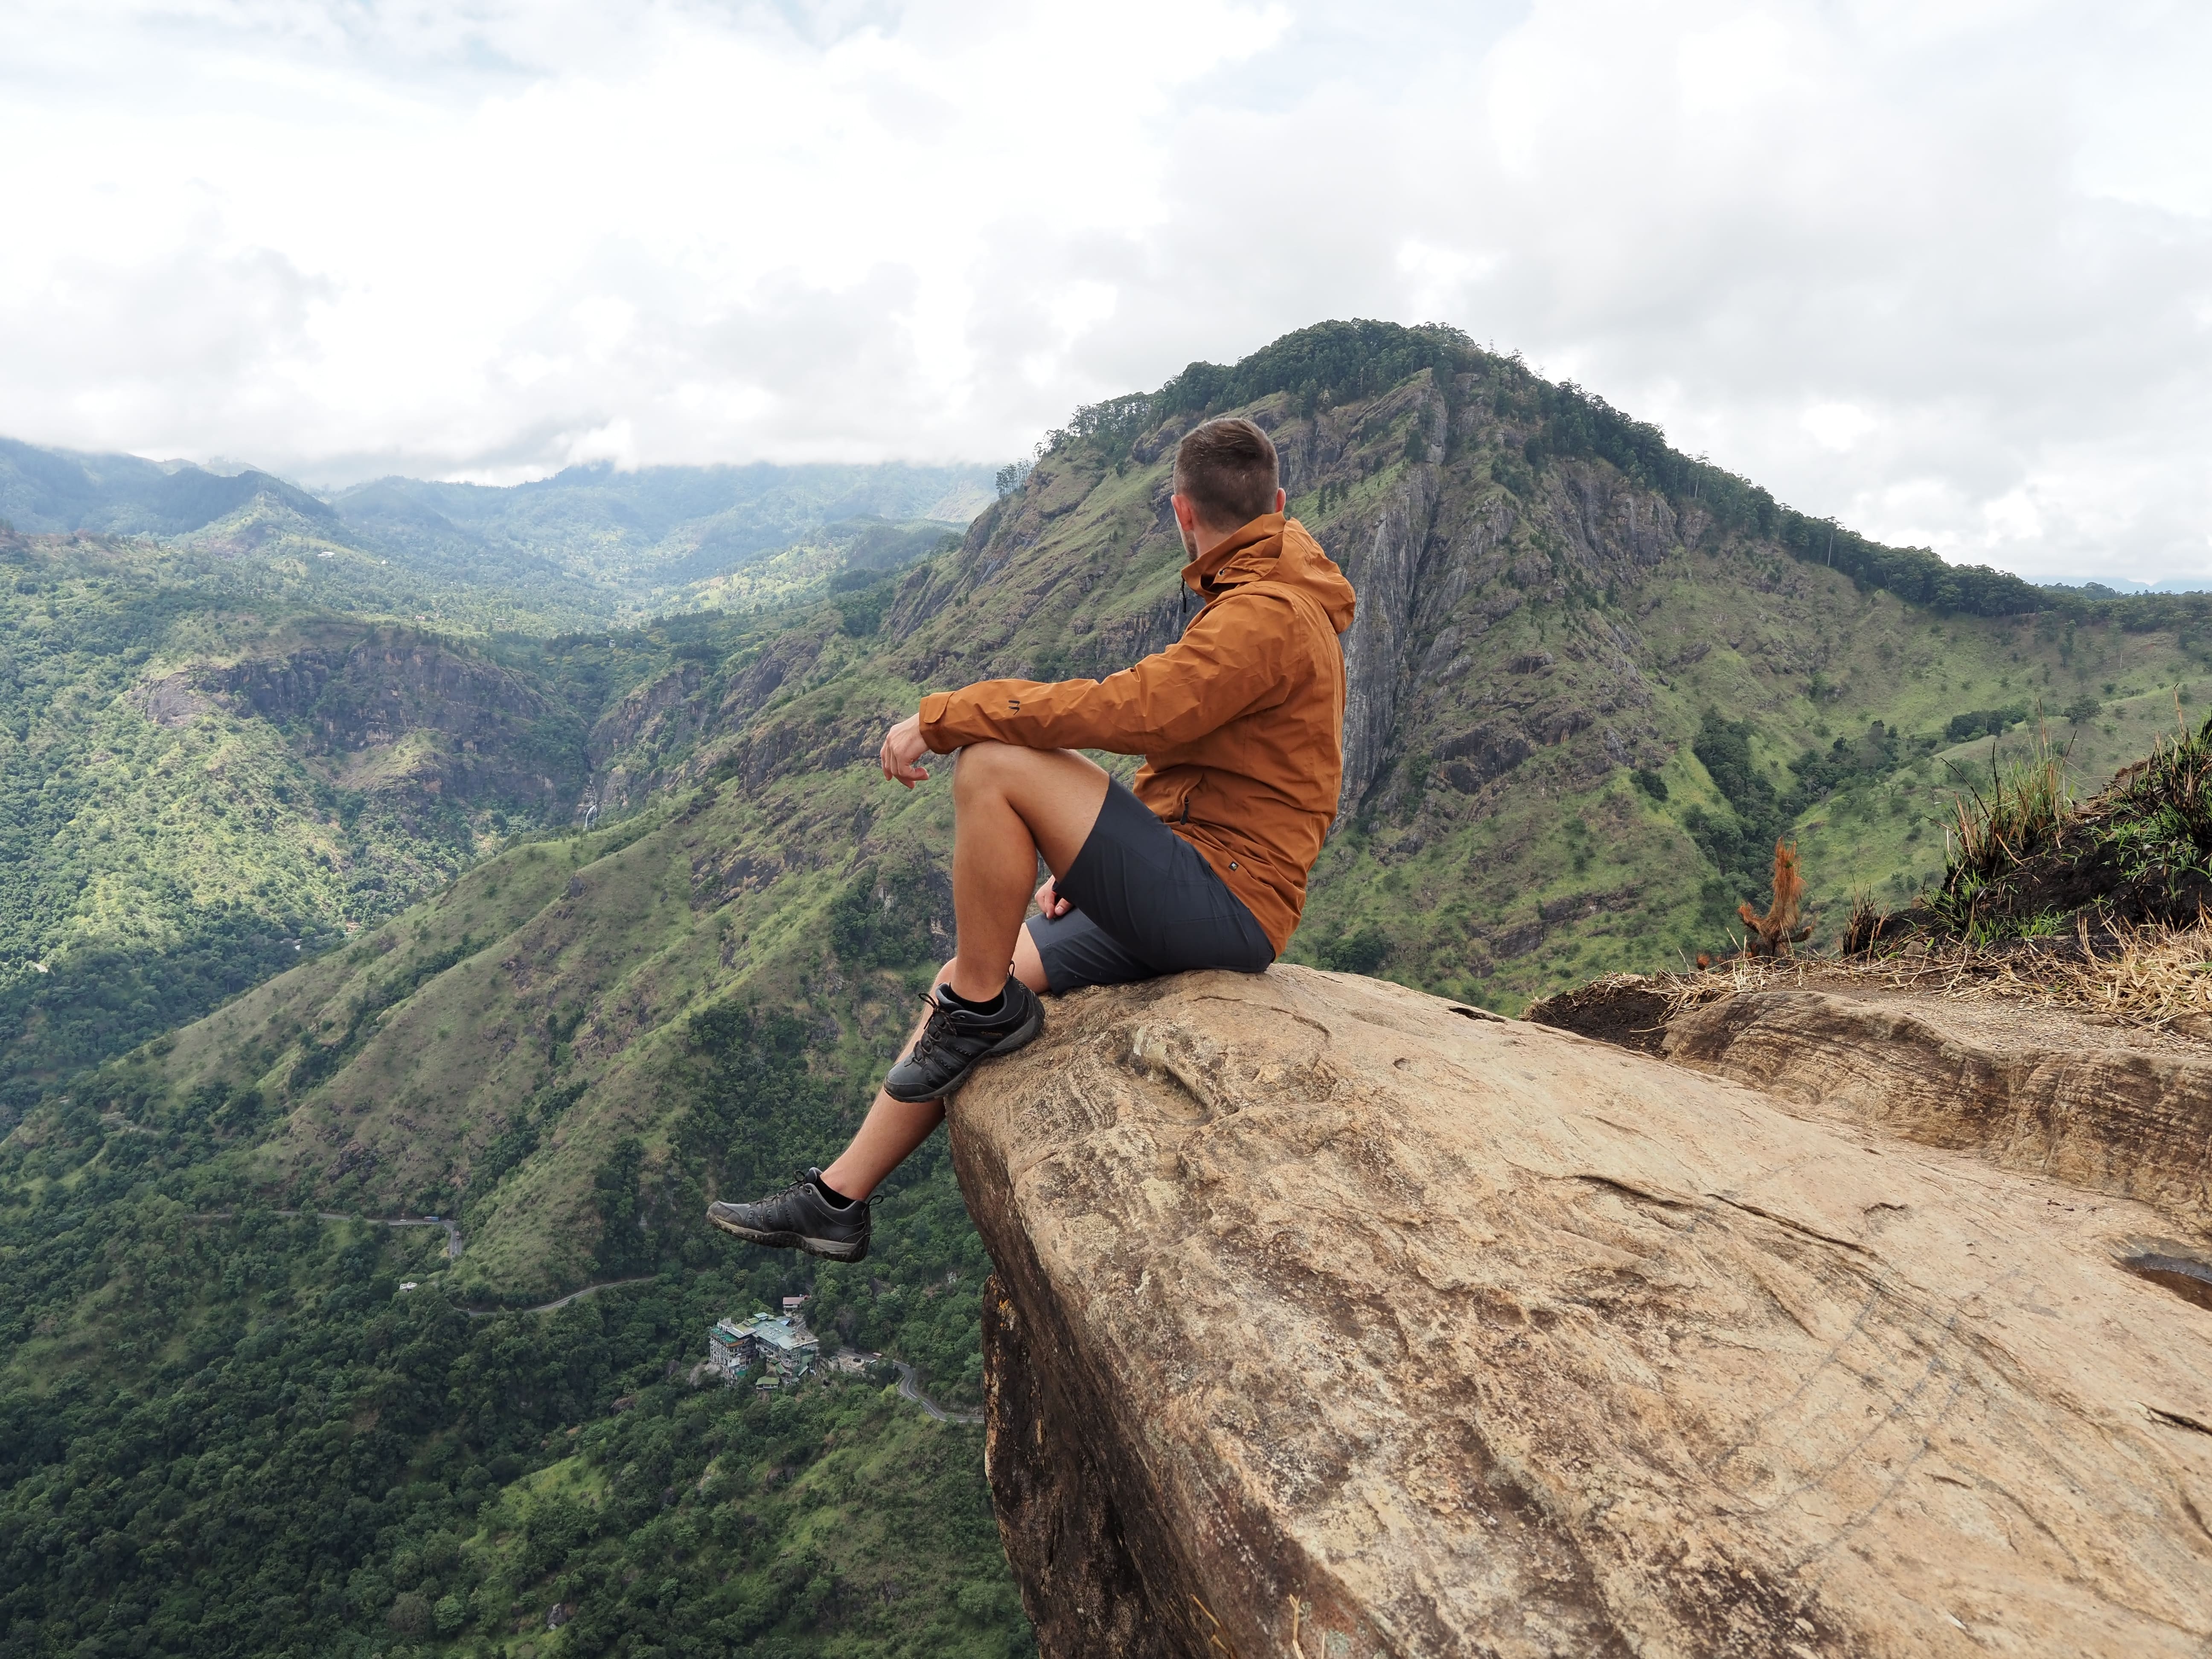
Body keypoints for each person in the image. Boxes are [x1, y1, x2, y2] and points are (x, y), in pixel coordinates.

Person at [705, 416, 1356, 1262]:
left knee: (993, 766)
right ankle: (837, 1200)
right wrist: (1110, 872)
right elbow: (1215, 774)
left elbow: (1132, 712)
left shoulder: (1263, 617)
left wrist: (943, 717)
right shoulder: (1262, 595)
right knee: (967, 971)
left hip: (1225, 904)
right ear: (1277, 502)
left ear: (1179, 512)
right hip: (1198, 879)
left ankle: (981, 1014)